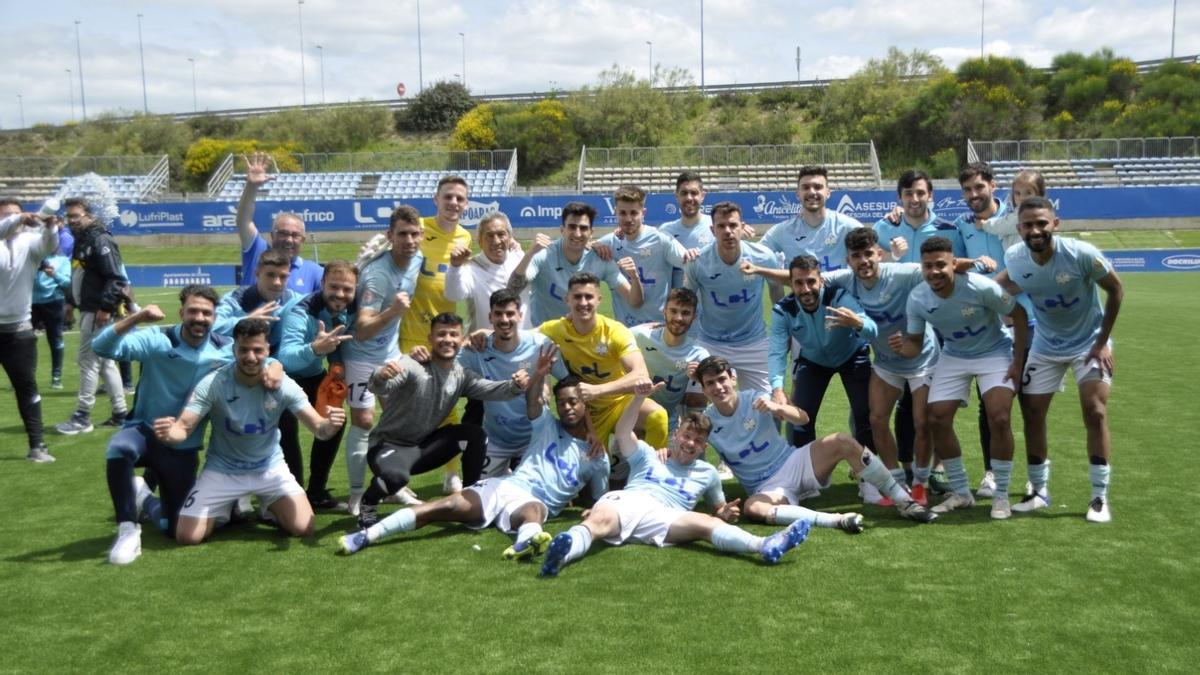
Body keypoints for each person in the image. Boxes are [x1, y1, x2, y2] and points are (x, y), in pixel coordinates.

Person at [338, 343, 609, 557]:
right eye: (562, 403)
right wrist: (539, 374)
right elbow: (535, 402)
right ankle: (365, 536)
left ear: (586, 404)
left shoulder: (598, 457)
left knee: (534, 511)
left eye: (574, 402)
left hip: (532, 502)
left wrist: (588, 506)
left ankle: (526, 543)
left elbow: (597, 498)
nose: (567, 407)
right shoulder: (547, 425)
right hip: (503, 486)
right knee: (441, 506)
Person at [539, 386, 820, 578]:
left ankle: (765, 546)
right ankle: (560, 555)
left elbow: (720, 508)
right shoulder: (648, 455)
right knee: (599, 523)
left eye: (698, 441)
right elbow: (623, 432)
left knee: (707, 525)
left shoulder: (707, 474)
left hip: (669, 516)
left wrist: (723, 513)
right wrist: (638, 398)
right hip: (631, 500)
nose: (690, 444)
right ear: (676, 434)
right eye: (687, 436)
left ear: (704, 446)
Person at [92, 287, 284, 564]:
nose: (199, 317)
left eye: (206, 312)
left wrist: (275, 367)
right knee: (119, 449)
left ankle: (144, 498)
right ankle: (128, 530)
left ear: (214, 317)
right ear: (181, 313)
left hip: (184, 445)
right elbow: (101, 346)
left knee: (174, 529)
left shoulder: (222, 349)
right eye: (193, 311)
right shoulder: (158, 340)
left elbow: (258, 357)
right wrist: (139, 316)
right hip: (144, 432)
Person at [153, 318, 343, 545]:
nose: (250, 357)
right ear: (234, 349)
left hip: (269, 468)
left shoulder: (283, 384)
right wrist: (169, 433)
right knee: (187, 536)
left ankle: (266, 504)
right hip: (223, 470)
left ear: (268, 350)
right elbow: (183, 427)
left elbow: (319, 429)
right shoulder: (214, 383)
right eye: (243, 350)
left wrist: (330, 424)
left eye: (257, 350)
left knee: (303, 527)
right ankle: (149, 500)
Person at [995, 197, 1124, 523]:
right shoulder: (1015, 257)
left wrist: (1102, 341)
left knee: (1095, 411)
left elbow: (1116, 290)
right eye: (1028, 225)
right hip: (1046, 345)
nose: (1035, 230)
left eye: (1041, 223)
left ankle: (1099, 497)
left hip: (1089, 345)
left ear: (1055, 223)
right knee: (1032, 412)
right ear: (1019, 228)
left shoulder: (1082, 254)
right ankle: (1038, 491)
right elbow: (999, 285)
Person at [695, 356, 935, 522]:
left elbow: (803, 419)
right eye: (710, 383)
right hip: (766, 487)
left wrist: (777, 407)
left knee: (842, 440)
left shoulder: (755, 397)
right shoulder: (707, 422)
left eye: (721, 379)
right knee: (753, 508)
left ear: (732, 378)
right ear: (704, 389)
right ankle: (833, 520)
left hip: (794, 462)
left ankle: (905, 502)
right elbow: (689, 450)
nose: (718, 387)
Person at [356, 312, 531, 529]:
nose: (447, 339)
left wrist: (516, 385)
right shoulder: (413, 364)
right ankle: (369, 502)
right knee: (396, 478)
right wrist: (381, 375)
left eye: (453, 334)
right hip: (386, 447)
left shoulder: (461, 375)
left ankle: (471, 499)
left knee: (474, 435)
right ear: (430, 339)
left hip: (420, 449)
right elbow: (380, 386)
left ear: (461, 339)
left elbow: (492, 389)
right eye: (441, 334)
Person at [894, 237, 1029, 518]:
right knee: (937, 417)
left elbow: (1019, 312)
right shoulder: (918, 298)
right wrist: (902, 347)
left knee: (1000, 417)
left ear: (954, 264)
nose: (934, 272)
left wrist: (1017, 362)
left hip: (995, 352)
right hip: (954, 356)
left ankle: (1001, 495)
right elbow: (915, 344)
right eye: (928, 266)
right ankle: (961, 492)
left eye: (941, 265)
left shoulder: (980, 287)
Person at [952, 162, 1038, 498]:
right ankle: (990, 472)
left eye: (979, 187)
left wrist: (996, 290)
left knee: (1031, 403)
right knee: (989, 405)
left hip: (1025, 321)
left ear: (992, 185)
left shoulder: (1018, 217)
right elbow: (953, 265)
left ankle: (1036, 474)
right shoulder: (962, 225)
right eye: (968, 190)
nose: (974, 195)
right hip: (987, 329)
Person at [538, 272, 667, 483]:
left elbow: (641, 375)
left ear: (599, 299)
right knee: (589, 481)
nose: (583, 303)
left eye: (589, 297)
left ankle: (648, 481)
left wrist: (599, 390)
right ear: (567, 300)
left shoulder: (615, 331)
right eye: (577, 297)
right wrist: (481, 335)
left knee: (658, 417)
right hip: (587, 412)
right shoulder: (555, 329)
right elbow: (522, 338)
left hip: (619, 404)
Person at [340, 205, 424, 515]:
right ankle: (356, 494)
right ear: (390, 236)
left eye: (415, 234)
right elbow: (362, 330)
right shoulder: (377, 274)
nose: (409, 240)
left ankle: (393, 486)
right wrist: (393, 311)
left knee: (396, 422)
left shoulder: (418, 260)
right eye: (402, 234)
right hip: (361, 356)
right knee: (363, 421)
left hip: (390, 354)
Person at [399, 175, 477, 494]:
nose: (453, 203)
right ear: (436, 199)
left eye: (459, 198)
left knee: (447, 407)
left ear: (466, 204)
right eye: (448, 197)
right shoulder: (419, 229)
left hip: (444, 334)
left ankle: (451, 473)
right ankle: (396, 475)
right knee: (405, 408)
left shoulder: (466, 237)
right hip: (408, 332)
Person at [768, 254, 874, 452]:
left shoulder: (838, 297)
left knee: (864, 414)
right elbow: (776, 352)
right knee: (800, 418)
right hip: (814, 360)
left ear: (821, 280)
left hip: (852, 356)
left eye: (811, 281)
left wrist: (857, 323)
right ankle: (809, 475)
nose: (806, 289)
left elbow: (872, 328)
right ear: (791, 283)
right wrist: (777, 389)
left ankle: (868, 474)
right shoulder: (783, 310)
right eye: (799, 283)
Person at [457, 289, 568, 478]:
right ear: (490, 317)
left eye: (510, 314)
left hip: (534, 438)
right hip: (495, 440)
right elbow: (445, 366)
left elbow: (567, 382)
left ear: (520, 316)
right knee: (478, 500)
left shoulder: (541, 345)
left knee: (534, 500)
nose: (504, 319)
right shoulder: (477, 349)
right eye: (498, 314)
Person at [277, 259, 358, 509]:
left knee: (334, 421)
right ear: (322, 284)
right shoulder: (301, 311)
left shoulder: (353, 307)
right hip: (282, 377)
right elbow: (285, 357)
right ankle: (295, 493)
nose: (340, 294)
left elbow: (339, 340)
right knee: (286, 429)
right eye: (334, 287)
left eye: (347, 289)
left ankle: (317, 491)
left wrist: (336, 363)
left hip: (313, 374)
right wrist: (315, 348)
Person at [683, 201, 783, 394]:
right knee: (695, 401)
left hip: (753, 342)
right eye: (721, 226)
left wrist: (781, 333)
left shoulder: (763, 257)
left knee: (769, 405)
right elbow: (687, 302)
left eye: (733, 225)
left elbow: (777, 294)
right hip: (710, 342)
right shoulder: (698, 262)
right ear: (713, 230)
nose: (727, 231)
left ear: (742, 227)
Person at [56, 197, 129, 435]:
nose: (71, 221)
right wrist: (71, 301)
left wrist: (106, 308)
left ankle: (82, 416)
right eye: (69, 216)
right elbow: (79, 276)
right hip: (89, 308)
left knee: (88, 362)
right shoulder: (85, 239)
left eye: (75, 216)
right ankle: (120, 413)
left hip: (97, 311)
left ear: (88, 215)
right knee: (106, 363)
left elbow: (117, 278)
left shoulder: (100, 239)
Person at [507, 201, 643, 327]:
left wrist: (635, 277)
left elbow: (634, 301)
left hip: (582, 339)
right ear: (562, 229)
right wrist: (529, 253)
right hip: (545, 338)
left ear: (591, 233)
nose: (577, 234)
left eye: (583, 228)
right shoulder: (544, 254)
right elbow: (512, 291)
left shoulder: (600, 259)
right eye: (572, 227)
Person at [0, 202, 59, 463]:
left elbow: (49, 246)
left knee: (27, 389)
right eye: (6, 214)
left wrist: (51, 226)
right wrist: (17, 218)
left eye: (16, 213)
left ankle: (37, 446)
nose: (13, 219)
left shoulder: (29, 241)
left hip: (18, 330)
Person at [593, 185, 696, 326]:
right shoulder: (609, 242)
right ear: (615, 212)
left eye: (634, 213)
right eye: (623, 213)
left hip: (659, 328)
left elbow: (692, 264)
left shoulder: (661, 239)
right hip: (625, 330)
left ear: (643, 212)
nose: (628, 219)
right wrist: (592, 244)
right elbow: (581, 249)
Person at [235, 152, 325, 293]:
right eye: (283, 233)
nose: (289, 240)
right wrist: (251, 187)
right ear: (272, 235)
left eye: (295, 235)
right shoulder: (257, 252)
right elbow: (243, 221)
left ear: (303, 240)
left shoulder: (314, 272)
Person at [629, 288, 710, 430]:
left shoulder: (698, 354)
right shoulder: (639, 335)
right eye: (673, 311)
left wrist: (698, 379)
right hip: (631, 418)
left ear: (694, 317)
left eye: (685, 313)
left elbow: (710, 391)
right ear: (664, 311)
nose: (678, 318)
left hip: (667, 422)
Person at [760, 166, 863, 273]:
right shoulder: (783, 230)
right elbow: (754, 254)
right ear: (798, 194)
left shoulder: (847, 226)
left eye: (818, 187)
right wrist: (740, 236)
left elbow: (873, 251)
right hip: (803, 289)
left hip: (839, 289)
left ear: (828, 193)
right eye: (805, 187)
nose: (812, 192)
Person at [444, 211, 529, 334]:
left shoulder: (521, 259)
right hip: (486, 347)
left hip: (523, 346)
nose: (496, 241)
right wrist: (455, 266)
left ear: (510, 237)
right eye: (489, 235)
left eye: (501, 234)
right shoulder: (471, 268)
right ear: (480, 241)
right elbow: (453, 295)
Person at [213, 247, 301, 349]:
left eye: (283, 276)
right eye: (270, 275)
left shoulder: (294, 300)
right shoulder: (236, 299)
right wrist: (245, 322)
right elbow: (212, 326)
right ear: (257, 274)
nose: (277, 282)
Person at [874, 169, 965, 263]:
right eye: (908, 193)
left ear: (930, 196)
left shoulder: (950, 231)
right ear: (899, 197)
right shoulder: (882, 228)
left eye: (920, 193)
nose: (915, 199)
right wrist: (894, 256)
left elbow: (958, 268)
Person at [29, 232, 72, 390]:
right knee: (25, 341)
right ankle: (26, 376)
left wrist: (53, 274)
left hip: (53, 302)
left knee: (55, 339)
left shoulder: (62, 260)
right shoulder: (32, 258)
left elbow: (67, 283)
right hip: (30, 303)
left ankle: (56, 376)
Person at [659, 171, 713, 287]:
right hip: (678, 303)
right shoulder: (666, 231)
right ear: (677, 196)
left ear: (702, 196)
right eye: (684, 193)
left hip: (709, 303)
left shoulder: (715, 226)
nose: (689, 198)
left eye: (694, 193)